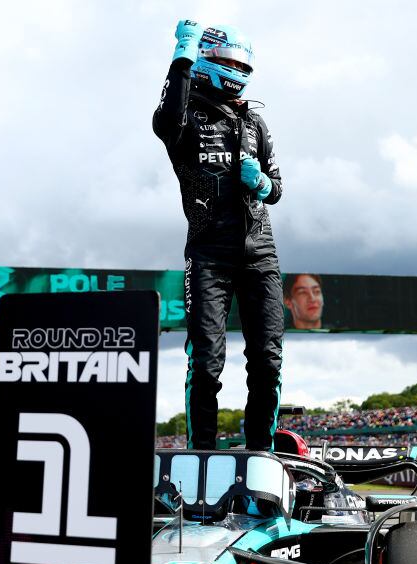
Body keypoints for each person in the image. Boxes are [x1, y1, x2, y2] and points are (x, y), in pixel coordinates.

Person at [153, 20, 284, 451]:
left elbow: (278, 188)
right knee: (207, 363)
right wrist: (182, 53)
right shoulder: (185, 116)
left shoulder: (257, 123)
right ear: (208, 59)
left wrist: (262, 183)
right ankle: (201, 455)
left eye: (242, 63)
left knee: (267, 361)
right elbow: (164, 119)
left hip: (260, 253)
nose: (237, 70)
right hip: (209, 252)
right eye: (229, 61)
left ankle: (261, 454)